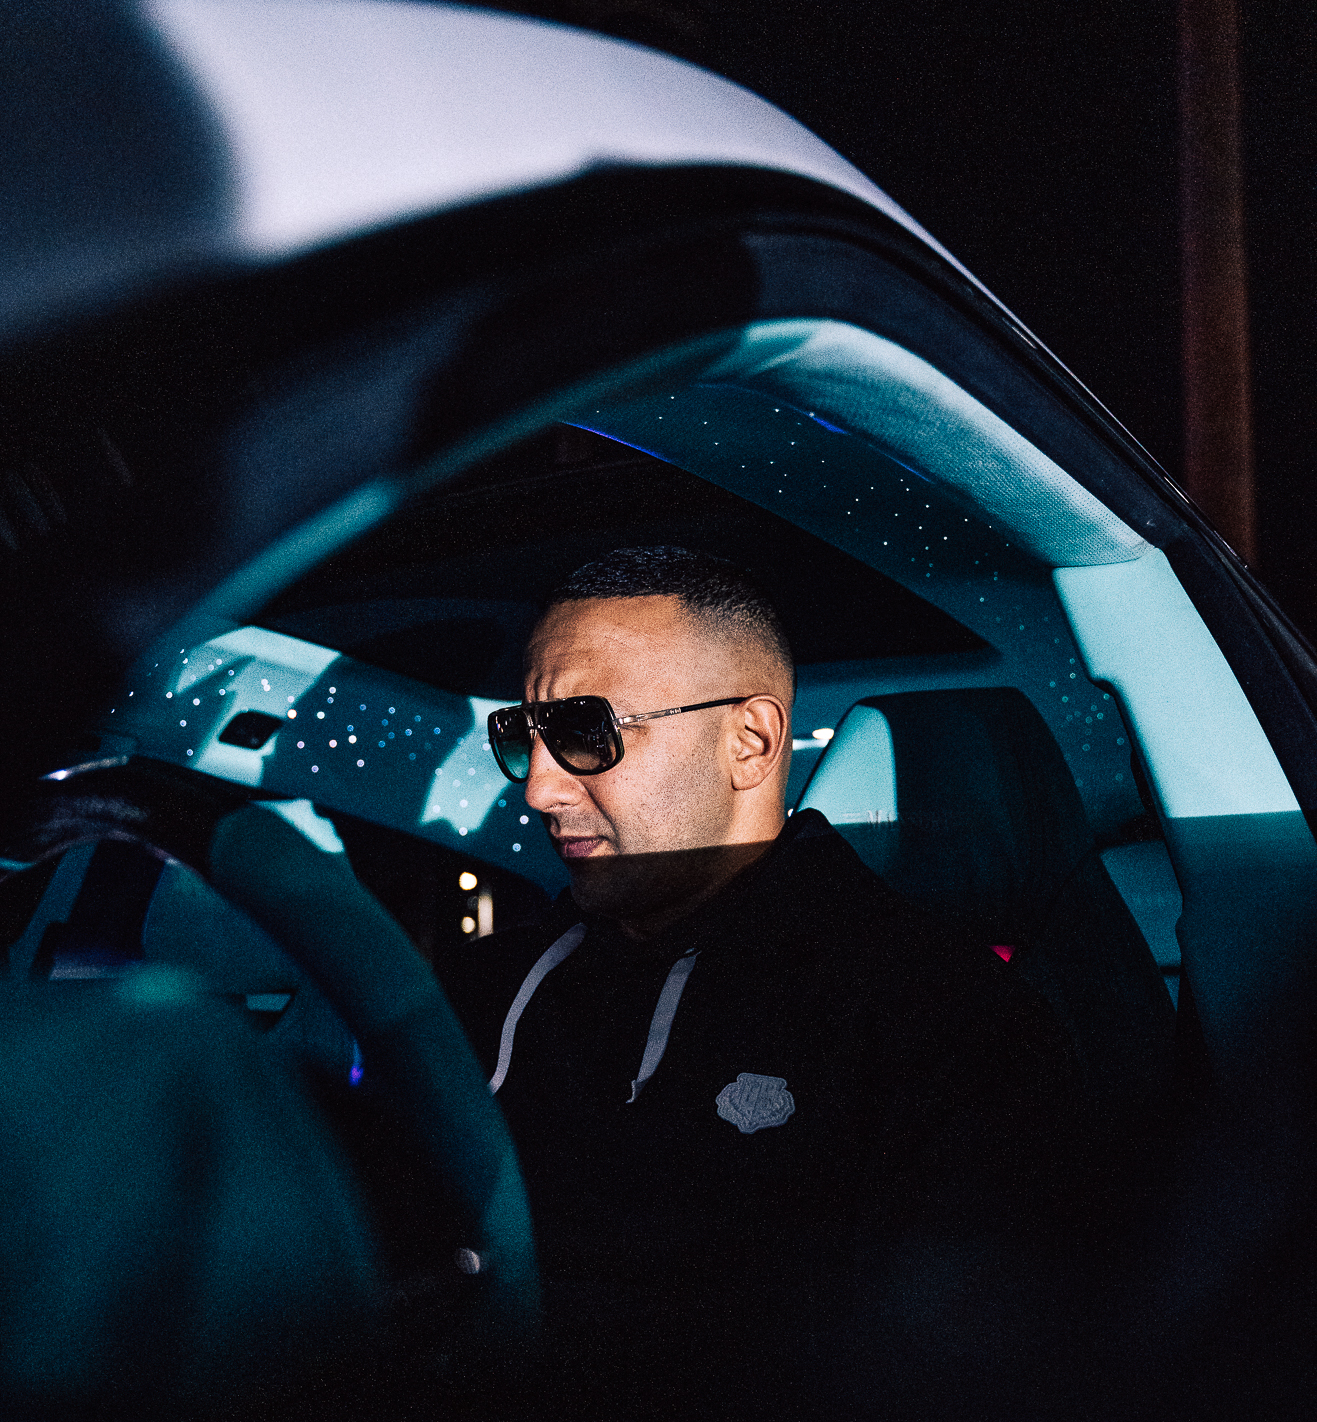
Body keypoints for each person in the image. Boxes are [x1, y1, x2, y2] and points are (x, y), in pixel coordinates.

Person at [445, 547, 1083, 1323]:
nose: (539, 789)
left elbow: (953, 1358)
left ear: (748, 741)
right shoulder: (488, 991)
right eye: (522, 735)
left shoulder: (933, 1021)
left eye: (585, 730)